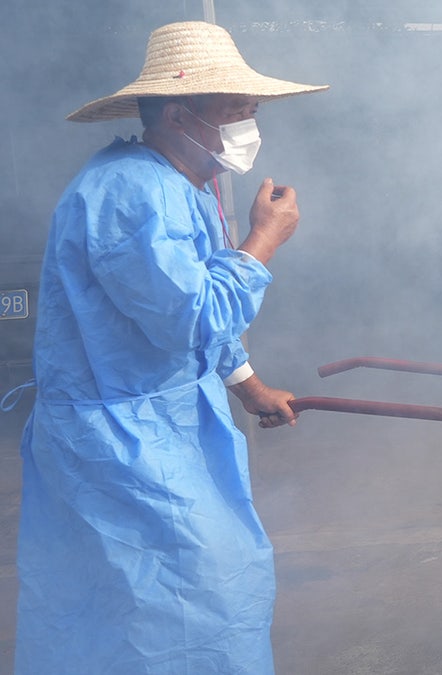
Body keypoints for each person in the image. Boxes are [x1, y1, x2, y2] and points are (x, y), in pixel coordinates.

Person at [15, 21, 328, 674]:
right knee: (181, 606)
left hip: (157, 429)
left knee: (163, 604)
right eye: (236, 110)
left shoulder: (180, 181)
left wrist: (249, 386)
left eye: (253, 111)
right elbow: (192, 317)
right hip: (122, 445)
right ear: (181, 115)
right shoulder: (133, 194)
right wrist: (264, 240)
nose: (250, 126)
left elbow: (194, 307)